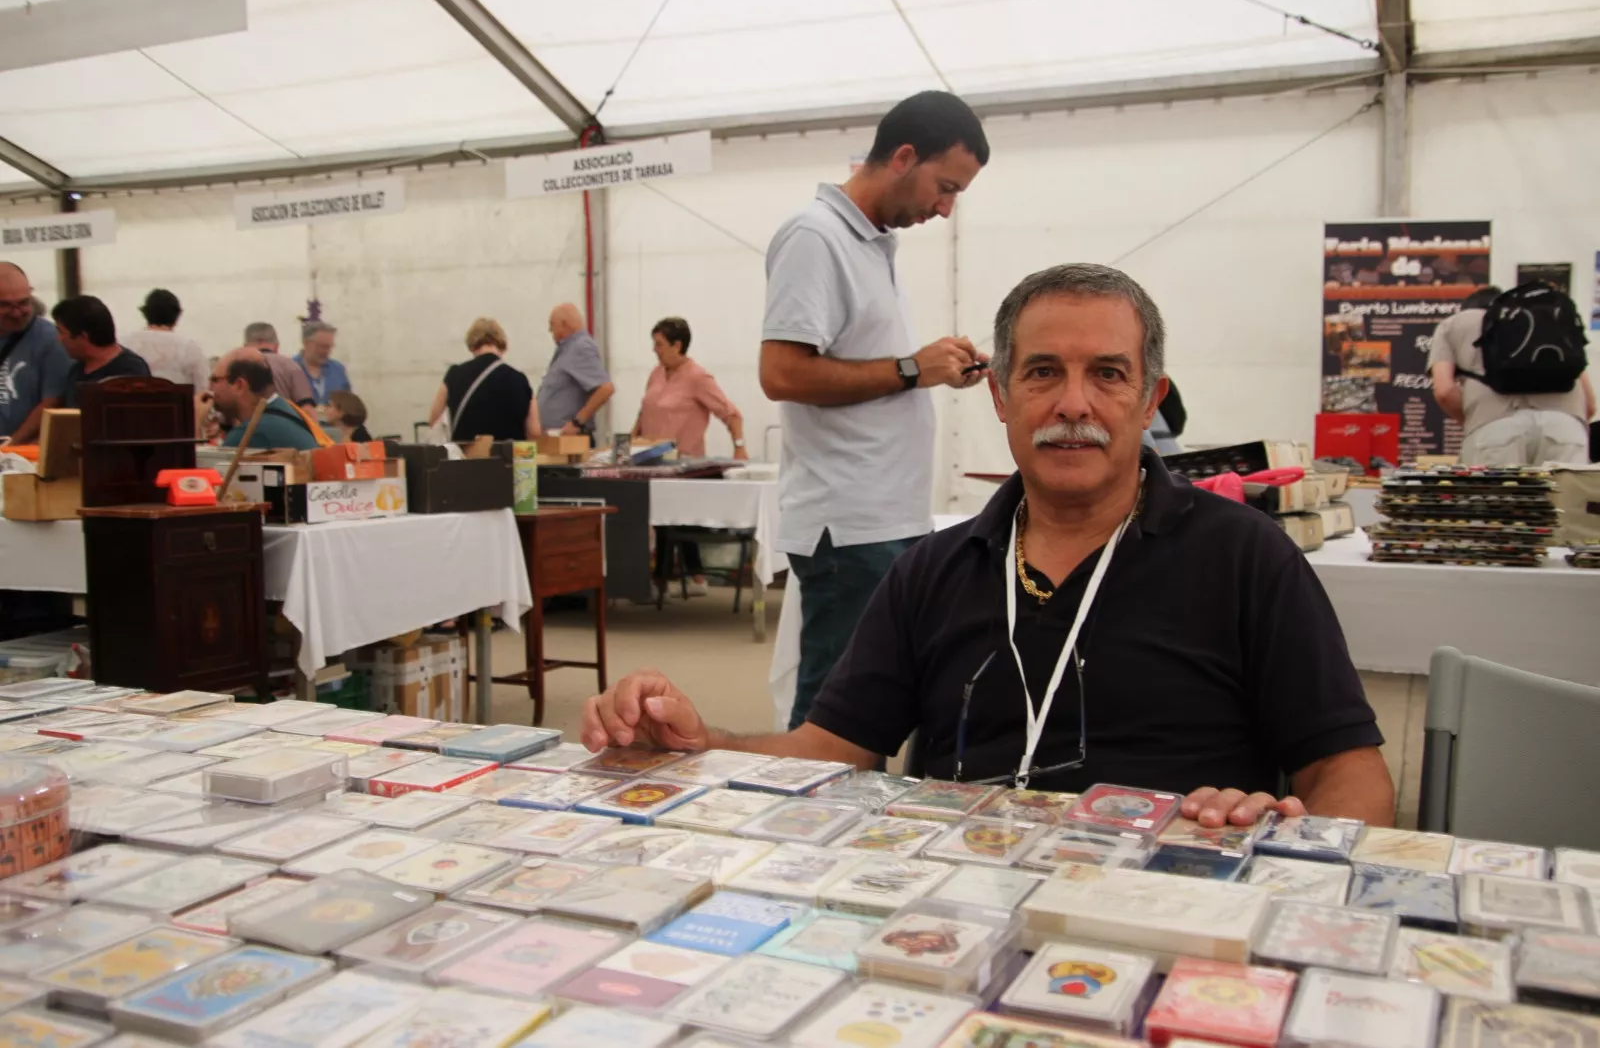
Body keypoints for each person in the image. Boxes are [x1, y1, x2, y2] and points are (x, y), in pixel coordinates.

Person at [584, 263, 1395, 829]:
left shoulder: (1247, 560)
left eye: (1108, 374)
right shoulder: (933, 571)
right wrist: (702, 743)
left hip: (1173, 908)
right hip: (962, 911)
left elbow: (1352, 776)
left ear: (1150, 400)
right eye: (1042, 373)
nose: (1072, 404)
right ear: (1001, 395)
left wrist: (1288, 843)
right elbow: (826, 752)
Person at [761, 90, 992, 730]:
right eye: (945, 187)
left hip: (882, 517)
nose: (944, 209)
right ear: (904, 157)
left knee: (873, 703)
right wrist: (913, 369)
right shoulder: (815, 235)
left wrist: (928, 367)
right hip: (850, 523)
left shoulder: (869, 242)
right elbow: (781, 374)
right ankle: (807, 797)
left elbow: (868, 366)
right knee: (836, 715)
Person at [1429, 286, 1595, 464]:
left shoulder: (1455, 324)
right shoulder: (1549, 322)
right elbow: (1590, 405)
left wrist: (1475, 420)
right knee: (1566, 484)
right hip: (1566, 430)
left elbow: (1444, 391)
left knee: (1500, 484)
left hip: (1495, 431)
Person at [633, 317, 748, 460]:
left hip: (684, 463)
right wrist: (629, 444)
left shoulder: (698, 377)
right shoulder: (656, 373)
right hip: (649, 460)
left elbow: (732, 415)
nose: (654, 350)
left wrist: (739, 448)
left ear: (677, 346)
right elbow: (644, 413)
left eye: (659, 345)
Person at [428, 317, 538, 442]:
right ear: (501, 344)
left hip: (466, 453)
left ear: (472, 345)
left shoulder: (454, 374)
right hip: (509, 453)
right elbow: (534, 431)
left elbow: (433, 420)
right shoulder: (520, 379)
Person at [0, 262, 70, 443]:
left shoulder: (51, 339)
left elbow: (52, 402)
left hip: (24, 450)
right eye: (5, 305)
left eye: (23, 303)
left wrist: (11, 445)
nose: (16, 313)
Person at [212, 349, 319, 451]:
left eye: (214, 379)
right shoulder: (287, 412)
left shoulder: (252, 434)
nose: (210, 387)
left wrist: (201, 419)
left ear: (239, 385)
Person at [53, 295, 150, 407]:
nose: (59, 339)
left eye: (61, 332)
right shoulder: (76, 371)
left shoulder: (130, 371)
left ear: (83, 336)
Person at [537, 303, 613, 437]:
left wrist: (577, 422)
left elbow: (605, 388)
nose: (550, 330)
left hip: (570, 438)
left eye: (552, 325)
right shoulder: (567, 349)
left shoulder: (580, 347)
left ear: (565, 324)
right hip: (556, 438)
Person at [122, 289, 208, 393]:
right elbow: (202, 389)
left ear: (145, 313)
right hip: (176, 403)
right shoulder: (189, 348)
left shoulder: (125, 343)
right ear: (177, 315)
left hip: (131, 402)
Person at [243, 322, 315, 408]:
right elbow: (306, 407)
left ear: (245, 346)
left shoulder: (238, 366)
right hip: (284, 415)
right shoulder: (291, 365)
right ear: (277, 346)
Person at [295, 320, 352, 413]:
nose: (326, 351)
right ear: (306, 343)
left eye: (329, 347)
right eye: (322, 346)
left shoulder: (338, 370)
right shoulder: (289, 369)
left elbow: (348, 405)